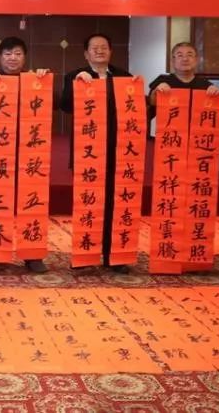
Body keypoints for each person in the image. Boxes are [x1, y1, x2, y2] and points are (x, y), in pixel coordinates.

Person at [0, 36, 52, 273]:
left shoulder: (34, 79)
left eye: (17, 53)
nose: (12, 58)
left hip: (31, 151)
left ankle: (33, 254)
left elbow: (58, 103)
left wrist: (44, 80)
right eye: (7, 54)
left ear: (24, 57)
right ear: (0, 57)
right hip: (0, 151)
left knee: (32, 202)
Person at [59, 33, 136, 273]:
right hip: (88, 151)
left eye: (104, 47)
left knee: (115, 203)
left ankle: (115, 255)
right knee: (87, 202)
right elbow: (65, 106)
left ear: (110, 51)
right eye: (94, 48)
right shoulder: (75, 75)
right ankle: (85, 253)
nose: (99, 51)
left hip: (118, 150)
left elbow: (136, 110)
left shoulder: (124, 77)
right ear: (86, 54)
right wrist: (77, 86)